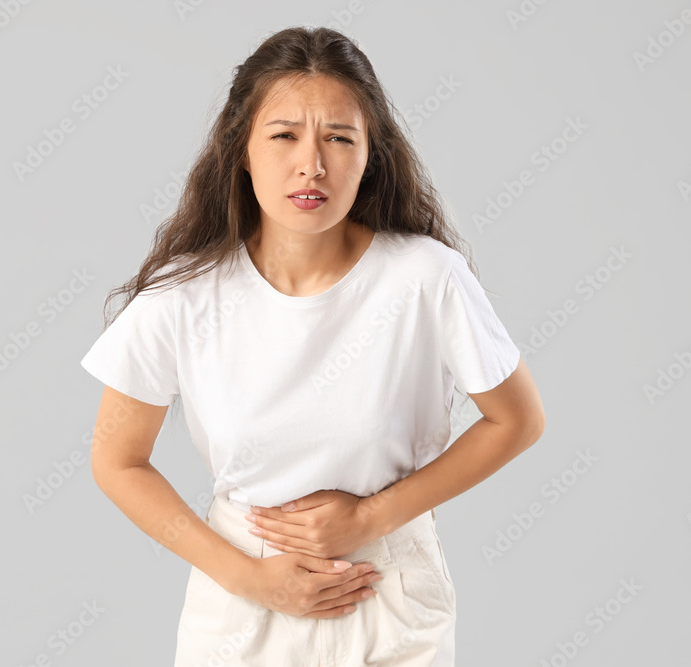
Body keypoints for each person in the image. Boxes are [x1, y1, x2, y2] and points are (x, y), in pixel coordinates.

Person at [80, 25, 545, 667]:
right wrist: (247, 577)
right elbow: (117, 461)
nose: (312, 165)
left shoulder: (425, 277)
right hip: (241, 597)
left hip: (390, 589)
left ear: (370, 154)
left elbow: (518, 420)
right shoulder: (183, 295)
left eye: (339, 138)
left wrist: (371, 519)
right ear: (241, 149)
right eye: (284, 136)